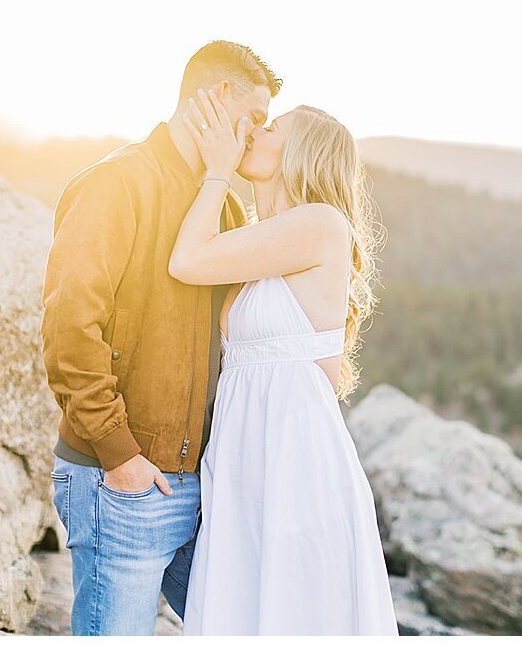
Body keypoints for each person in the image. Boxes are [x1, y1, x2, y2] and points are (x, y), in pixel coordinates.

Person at [41, 40, 280, 635]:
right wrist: (120, 454)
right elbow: (70, 328)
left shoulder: (225, 208)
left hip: (204, 487)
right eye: (254, 117)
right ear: (218, 96)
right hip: (122, 480)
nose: (256, 134)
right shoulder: (114, 184)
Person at [169, 90, 397, 635]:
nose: (255, 131)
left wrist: (217, 171)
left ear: (301, 153)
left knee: (294, 610)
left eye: (271, 128)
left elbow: (188, 260)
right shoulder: (263, 238)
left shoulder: (319, 224)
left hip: (294, 460)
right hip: (244, 456)